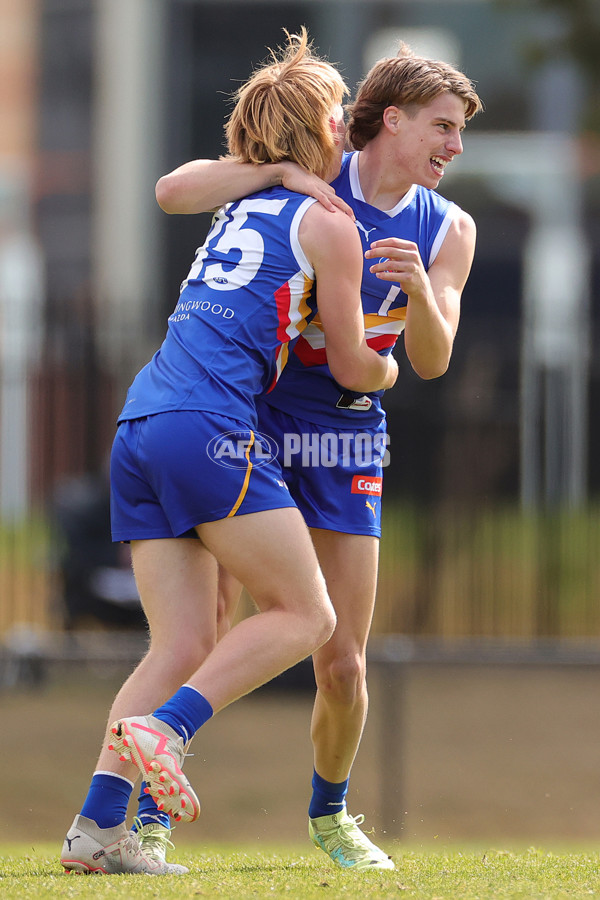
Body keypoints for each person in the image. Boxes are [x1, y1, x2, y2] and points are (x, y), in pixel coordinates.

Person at [59, 28, 398, 876]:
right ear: (322, 126)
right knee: (309, 616)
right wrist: (400, 347)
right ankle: (168, 730)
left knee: (177, 648)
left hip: (141, 425)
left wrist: (279, 171)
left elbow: (174, 187)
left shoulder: (237, 201)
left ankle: (98, 831)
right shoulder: (330, 223)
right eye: (339, 111)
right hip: (210, 427)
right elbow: (356, 365)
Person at [151, 43, 483, 871]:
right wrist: (284, 178)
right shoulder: (315, 165)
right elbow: (176, 190)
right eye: (443, 127)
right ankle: (149, 812)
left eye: (462, 132)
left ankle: (331, 814)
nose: (456, 146)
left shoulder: (449, 228)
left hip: (344, 434)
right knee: (205, 634)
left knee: (342, 659)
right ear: (393, 119)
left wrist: (416, 298)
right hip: (252, 419)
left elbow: (434, 360)